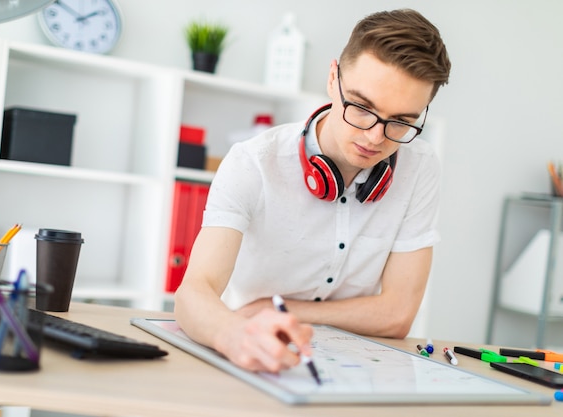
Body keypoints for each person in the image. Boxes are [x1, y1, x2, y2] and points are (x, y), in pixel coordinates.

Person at [174, 8, 451, 374]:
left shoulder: (420, 165)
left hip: (358, 367)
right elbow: (194, 293)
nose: (375, 136)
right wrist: (236, 333)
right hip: (250, 349)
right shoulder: (253, 162)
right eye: (361, 107)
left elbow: (397, 315)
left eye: (401, 122)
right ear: (332, 78)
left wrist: (280, 309)